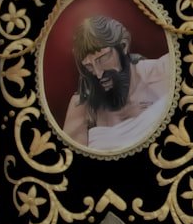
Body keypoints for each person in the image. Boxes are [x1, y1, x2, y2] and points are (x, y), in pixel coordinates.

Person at [62, 14, 171, 151]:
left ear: (123, 46)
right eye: (89, 66)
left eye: (102, 58)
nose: (98, 73)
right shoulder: (82, 106)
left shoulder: (163, 71)